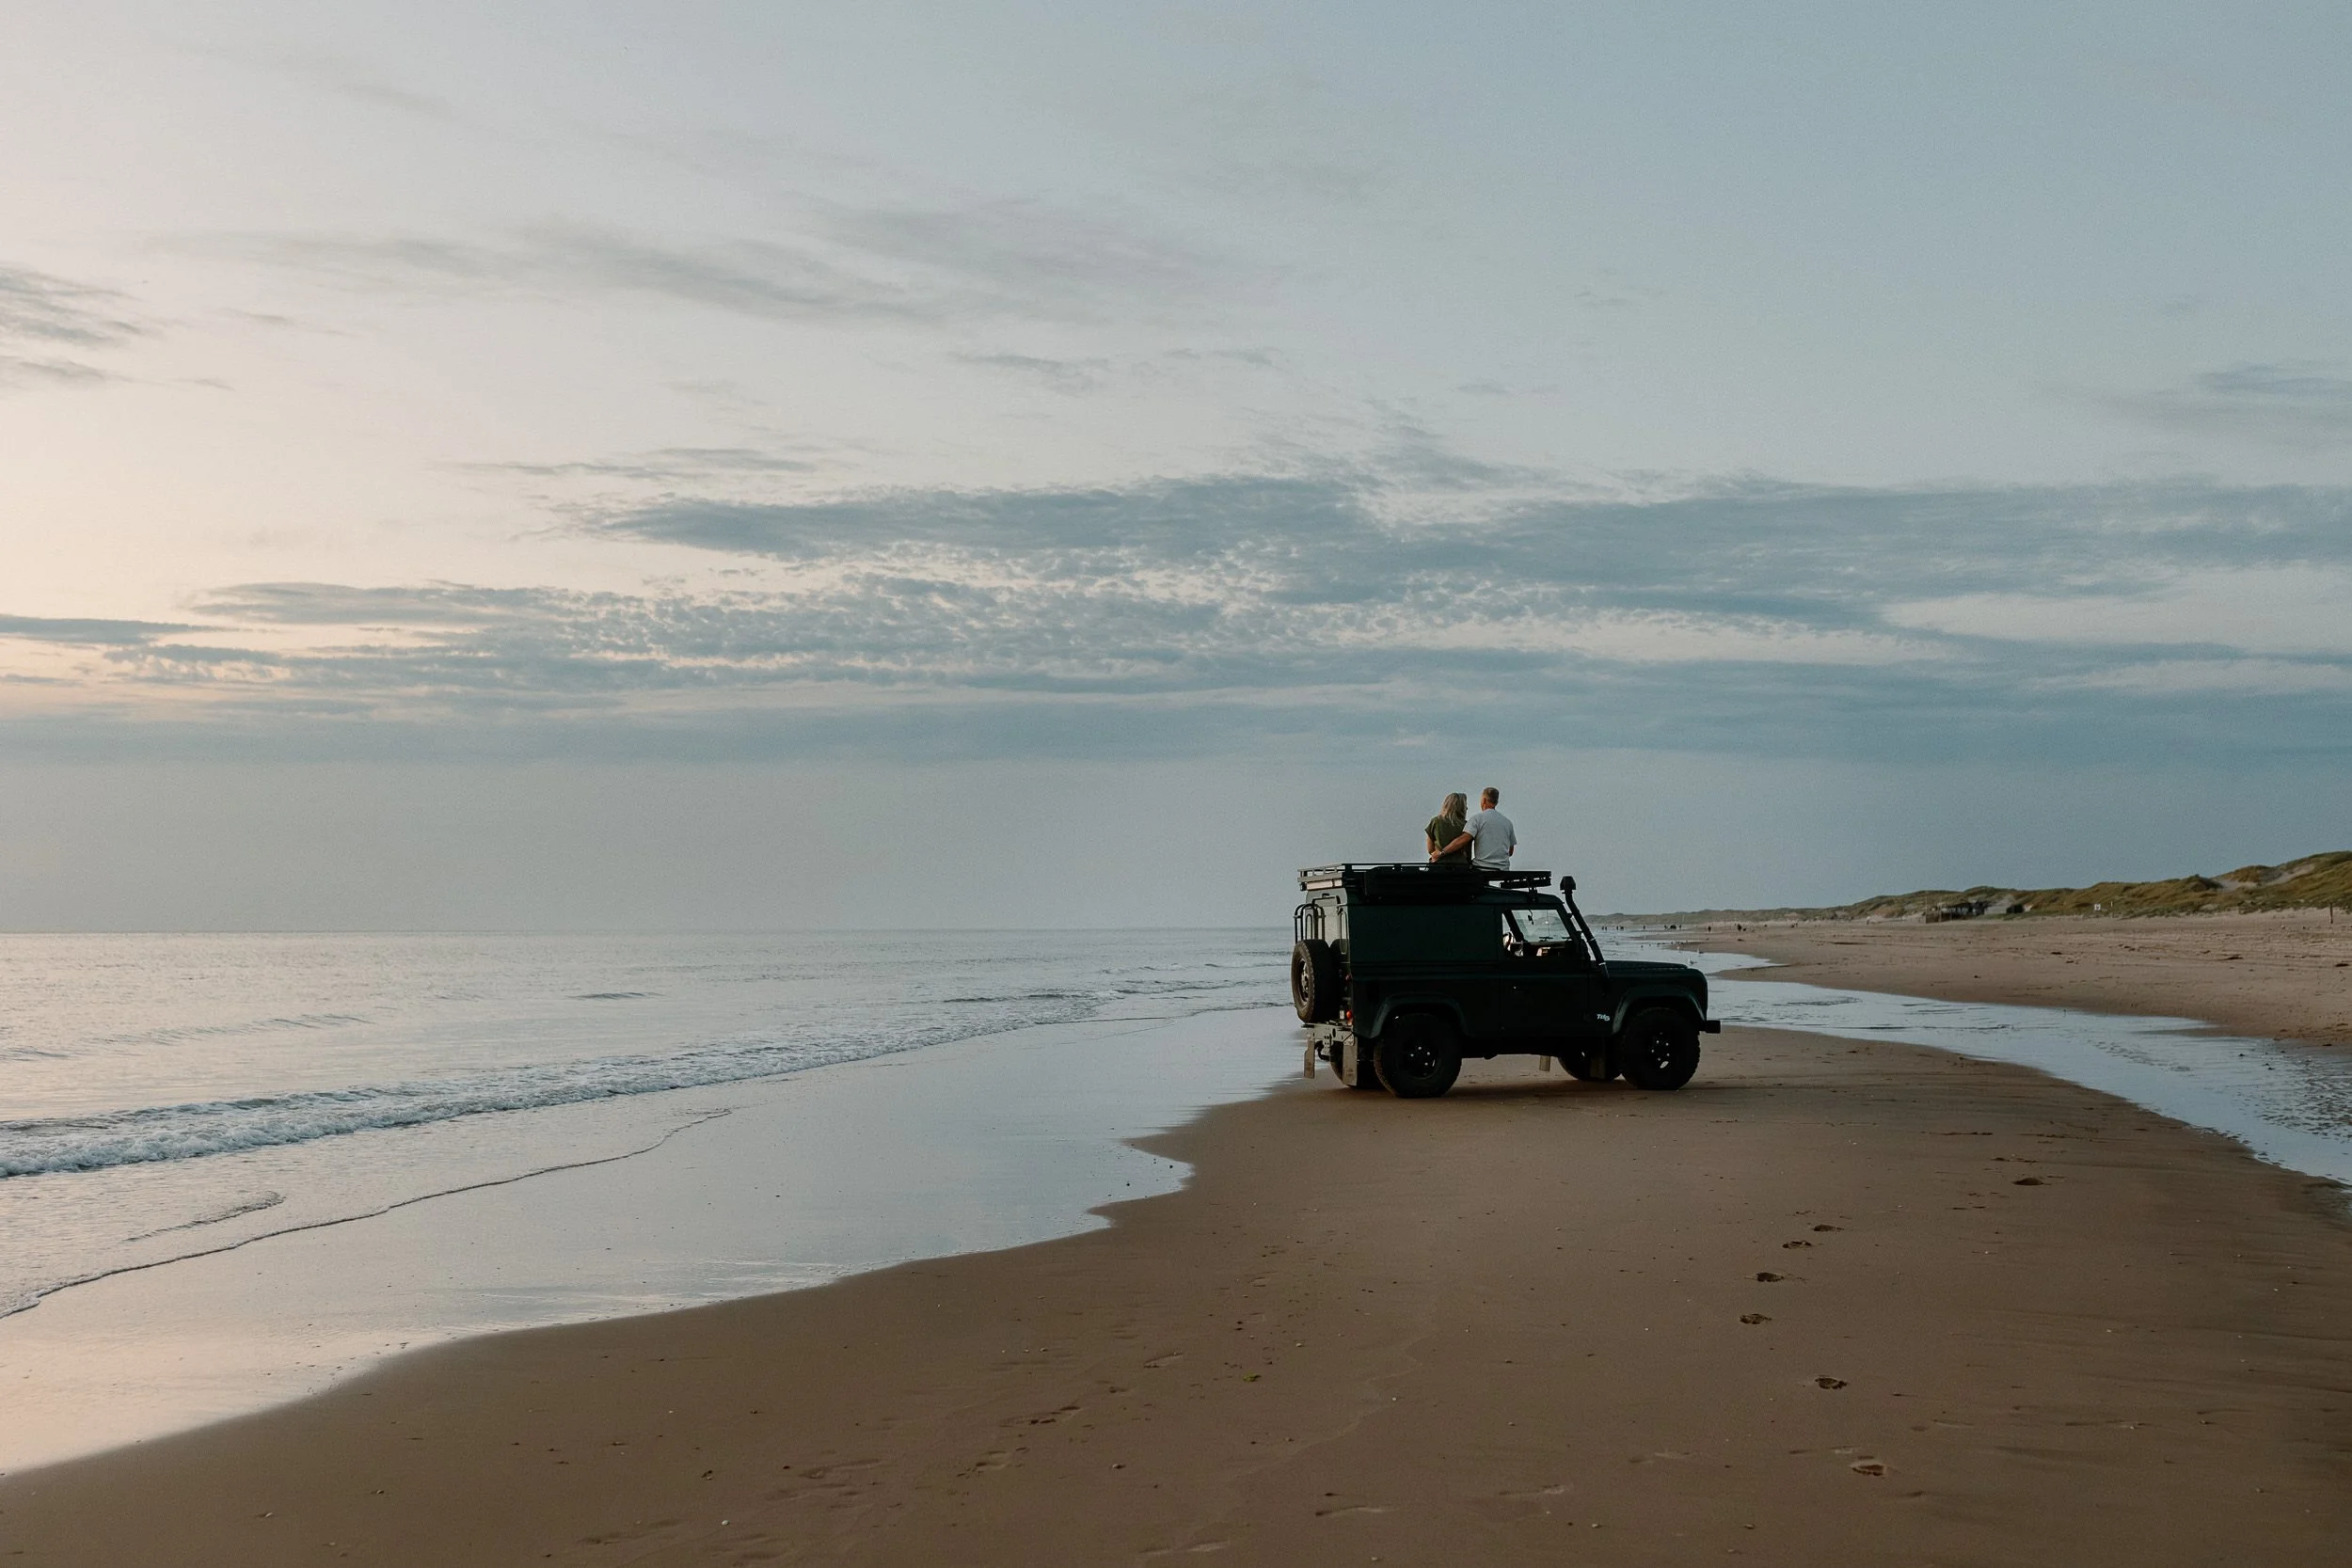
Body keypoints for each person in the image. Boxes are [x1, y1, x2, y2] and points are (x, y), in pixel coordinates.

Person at [1437, 786, 1516, 870]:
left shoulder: (1477, 819)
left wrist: (1442, 852)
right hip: (1503, 869)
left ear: (1484, 800)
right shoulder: (1507, 823)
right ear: (1496, 802)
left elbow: (1462, 840)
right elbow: (1510, 852)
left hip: (1481, 868)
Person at [1424, 792, 1470, 863]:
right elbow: (1468, 852)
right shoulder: (1467, 825)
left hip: (1439, 864)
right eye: (1465, 805)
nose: (1467, 808)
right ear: (1461, 807)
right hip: (1460, 865)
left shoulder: (1436, 821)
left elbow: (1430, 849)